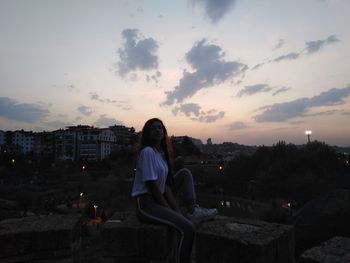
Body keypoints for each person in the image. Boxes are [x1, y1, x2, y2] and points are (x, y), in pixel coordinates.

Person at [131, 118, 217, 263]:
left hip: (158, 199)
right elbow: (152, 185)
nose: (158, 130)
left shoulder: (160, 155)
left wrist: (176, 211)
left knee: (184, 173)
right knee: (188, 229)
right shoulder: (147, 152)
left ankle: (192, 210)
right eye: (154, 128)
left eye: (160, 128)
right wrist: (166, 207)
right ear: (147, 133)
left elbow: (165, 187)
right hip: (147, 204)